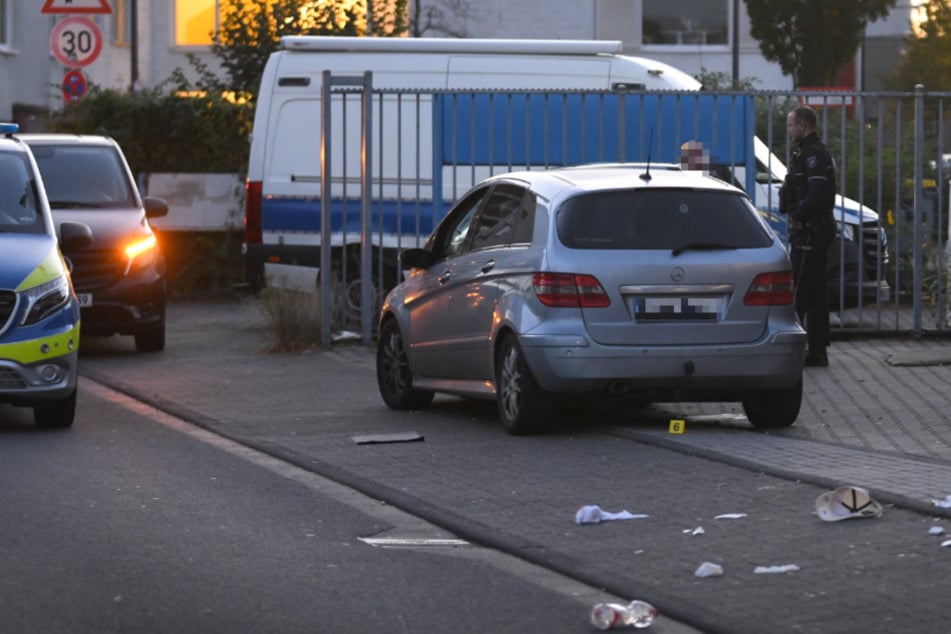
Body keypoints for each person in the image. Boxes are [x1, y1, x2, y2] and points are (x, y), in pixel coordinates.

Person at [781, 106, 836, 367]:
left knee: (798, 292)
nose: (789, 130)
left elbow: (817, 192)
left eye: (791, 125)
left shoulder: (813, 154)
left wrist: (798, 216)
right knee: (816, 293)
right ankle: (817, 350)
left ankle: (785, 351)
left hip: (811, 231)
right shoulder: (810, 152)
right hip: (816, 229)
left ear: (803, 125)